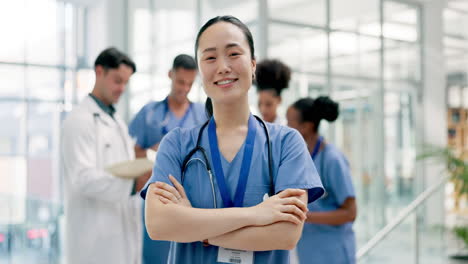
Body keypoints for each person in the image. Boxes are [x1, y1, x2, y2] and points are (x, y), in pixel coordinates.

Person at [140, 15, 324, 264]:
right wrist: (256, 215)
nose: (223, 66)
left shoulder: (286, 143)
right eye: (210, 57)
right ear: (200, 70)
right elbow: (159, 224)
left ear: (253, 65)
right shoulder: (177, 144)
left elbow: (286, 234)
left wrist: (197, 228)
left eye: (234, 54)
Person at [61, 47, 145, 264]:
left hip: (121, 238)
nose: (122, 88)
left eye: (126, 83)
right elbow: (82, 178)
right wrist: (133, 185)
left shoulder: (116, 121)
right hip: (93, 245)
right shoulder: (80, 121)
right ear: (99, 72)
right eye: (118, 80)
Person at [128, 54, 206, 264]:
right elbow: (136, 148)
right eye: (180, 82)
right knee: (156, 251)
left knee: (189, 251)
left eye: (190, 83)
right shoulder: (150, 112)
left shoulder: (201, 114)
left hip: (192, 197)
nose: (185, 88)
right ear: (170, 75)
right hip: (158, 194)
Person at [286, 96, 357, 264]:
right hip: (310, 251)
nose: (286, 127)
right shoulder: (303, 157)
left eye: (290, 122)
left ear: (306, 126)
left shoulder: (332, 160)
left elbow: (350, 213)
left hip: (333, 252)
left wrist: (305, 216)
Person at [255, 59, 291, 124]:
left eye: (268, 104)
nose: (263, 109)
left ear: (279, 100)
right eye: (259, 104)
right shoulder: (254, 127)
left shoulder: (285, 129)